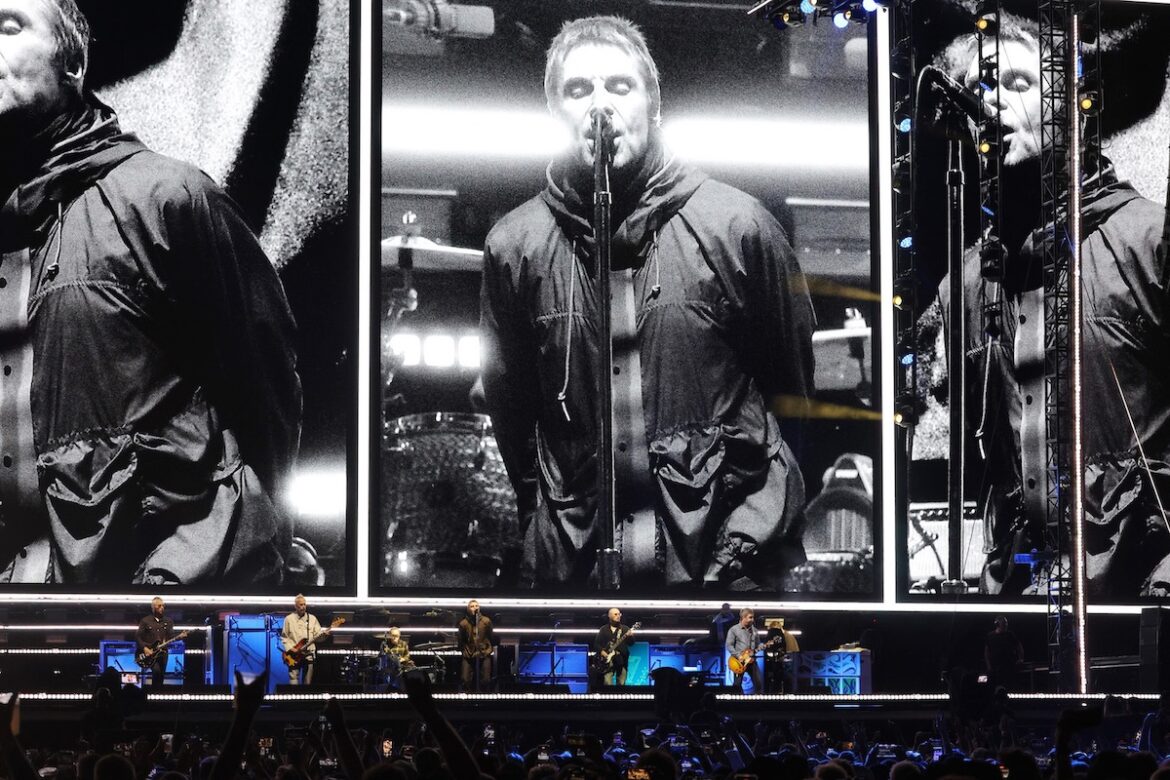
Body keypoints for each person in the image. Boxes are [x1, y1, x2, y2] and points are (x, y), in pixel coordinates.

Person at [480, 15, 815, 590]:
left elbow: (796, 394)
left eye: (619, 85)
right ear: (555, 111)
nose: (599, 105)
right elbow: (511, 410)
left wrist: (753, 528)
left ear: (653, 106)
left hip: (725, 564)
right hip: (577, 567)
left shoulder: (740, 227)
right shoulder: (515, 246)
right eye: (578, 89)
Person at [0, 0, 301, 586]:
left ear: (74, 63)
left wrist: (204, 562)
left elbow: (266, 395)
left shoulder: (169, 199)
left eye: (9, 26)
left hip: (146, 612)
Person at [931, 13, 1170, 597]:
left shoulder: (1149, 242)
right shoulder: (963, 285)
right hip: (1026, 591)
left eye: (1015, 85)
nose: (991, 106)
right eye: (978, 89)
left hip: (1145, 594)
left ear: (1072, 103)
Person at [281, 594, 324, 685]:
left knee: (307, 682)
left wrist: (325, 635)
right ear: (295, 606)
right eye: (301, 605)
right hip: (294, 655)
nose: (303, 607)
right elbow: (284, 638)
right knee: (293, 679)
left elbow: (319, 637)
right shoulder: (289, 619)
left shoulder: (312, 619)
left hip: (308, 655)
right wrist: (293, 649)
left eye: (304, 604)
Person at [135, 597, 174, 687]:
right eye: (159, 606)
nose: (162, 608)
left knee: (161, 674)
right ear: (153, 607)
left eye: (163, 606)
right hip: (150, 652)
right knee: (156, 671)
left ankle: (158, 693)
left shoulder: (168, 621)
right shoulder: (145, 621)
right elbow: (138, 636)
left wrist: (180, 636)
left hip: (163, 652)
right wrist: (144, 648)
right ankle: (153, 692)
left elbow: (171, 636)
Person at [592, 607, 634, 687]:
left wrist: (630, 636)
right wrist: (602, 652)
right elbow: (596, 644)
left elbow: (631, 643)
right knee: (607, 682)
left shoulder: (625, 629)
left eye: (619, 614)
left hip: (622, 660)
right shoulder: (603, 629)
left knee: (621, 683)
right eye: (615, 614)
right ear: (609, 615)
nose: (618, 616)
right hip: (608, 661)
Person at [456, 599, 493, 692]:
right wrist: (464, 649)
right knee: (465, 679)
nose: (475, 608)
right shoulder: (463, 623)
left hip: (484, 652)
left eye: (476, 606)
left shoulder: (486, 621)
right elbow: (461, 639)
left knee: (486, 679)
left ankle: (484, 698)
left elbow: (491, 635)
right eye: (472, 606)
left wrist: (487, 647)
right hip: (468, 653)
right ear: (468, 609)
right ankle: (468, 698)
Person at [725, 607, 763, 694]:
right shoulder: (734, 630)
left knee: (758, 683)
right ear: (743, 617)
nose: (752, 619)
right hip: (738, 661)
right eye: (750, 617)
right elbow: (729, 645)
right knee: (737, 685)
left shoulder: (755, 631)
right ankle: (738, 704)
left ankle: (758, 704)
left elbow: (758, 644)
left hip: (751, 661)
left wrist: (762, 646)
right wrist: (739, 656)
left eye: (753, 617)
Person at [984, 616, 1024, 691]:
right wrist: (989, 666)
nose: (1006, 625)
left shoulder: (1010, 635)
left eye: (1006, 624)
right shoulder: (990, 636)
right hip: (995, 668)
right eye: (1004, 624)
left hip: (1008, 667)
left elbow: (1019, 646)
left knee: (1009, 688)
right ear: (998, 624)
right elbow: (986, 652)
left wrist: (1020, 658)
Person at [380, 625, 415, 691]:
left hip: (401, 666)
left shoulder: (404, 644)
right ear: (390, 636)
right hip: (389, 666)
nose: (394, 637)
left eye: (396, 636)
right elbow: (382, 656)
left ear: (399, 636)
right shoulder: (385, 644)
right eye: (393, 635)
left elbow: (407, 656)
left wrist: (402, 659)